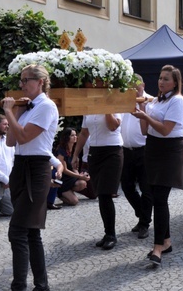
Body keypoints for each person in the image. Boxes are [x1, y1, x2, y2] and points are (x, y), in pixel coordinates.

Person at [2, 64, 59, 291]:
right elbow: (10, 142)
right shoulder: (26, 107)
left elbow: (24, 136)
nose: (21, 84)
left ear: (40, 82)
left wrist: (8, 112)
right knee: (31, 231)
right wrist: (16, 111)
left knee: (17, 230)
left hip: (37, 169)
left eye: (26, 80)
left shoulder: (47, 106)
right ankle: (41, 285)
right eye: (21, 80)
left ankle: (19, 286)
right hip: (20, 167)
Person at [132, 65, 183, 268]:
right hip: (153, 149)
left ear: (175, 83)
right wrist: (143, 112)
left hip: (170, 150)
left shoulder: (178, 101)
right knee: (155, 196)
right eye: (160, 78)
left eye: (166, 79)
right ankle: (166, 241)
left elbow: (165, 130)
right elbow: (146, 131)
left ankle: (157, 248)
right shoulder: (154, 101)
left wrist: (145, 116)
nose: (161, 82)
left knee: (160, 199)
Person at [73, 112, 123, 250]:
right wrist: (76, 154)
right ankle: (108, 233)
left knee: (106, 193)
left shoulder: (114, 105)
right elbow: (84, 133)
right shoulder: (89, 107)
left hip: (112, 151)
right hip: (94, 152)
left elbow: (113, 126)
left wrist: (106, 109)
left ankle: (111, 234)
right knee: (100, 194)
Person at [120, 76, 154, 240]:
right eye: (130, 86)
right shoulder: (125, 102)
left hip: (144, 150)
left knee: (146, 188)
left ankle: (144, 223)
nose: (133, 89)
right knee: (126, 186)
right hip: (127, 150)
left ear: (143, 85)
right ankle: (142, 214)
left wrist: (142, 103)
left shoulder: (150, 101)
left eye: (136, 86)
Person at [54, 128, 89, 207]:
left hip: (69, 178)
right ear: (67, 137)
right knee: (74, 201)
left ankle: (69, 192)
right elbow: (64, 170)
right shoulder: (61, 151)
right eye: (72, 135)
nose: (75, 137)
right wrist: (79, 176)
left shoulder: (73, 149)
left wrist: (80, 175)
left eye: (75, 135)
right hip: (62, 178)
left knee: (83, 183)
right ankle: (60, 193)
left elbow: (74, 167)